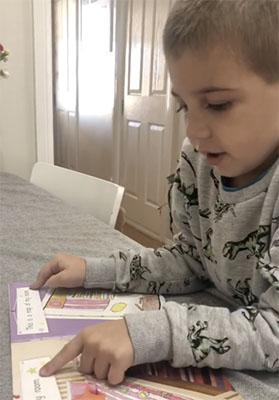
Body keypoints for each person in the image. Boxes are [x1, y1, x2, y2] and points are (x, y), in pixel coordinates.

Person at [30, 0, 279, 385]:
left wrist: (151, 332)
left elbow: (275, 332)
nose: (194, 132)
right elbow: (191, 260)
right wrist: (97, 270)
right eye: (183, 106)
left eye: (217, 104)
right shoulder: (199, 159)